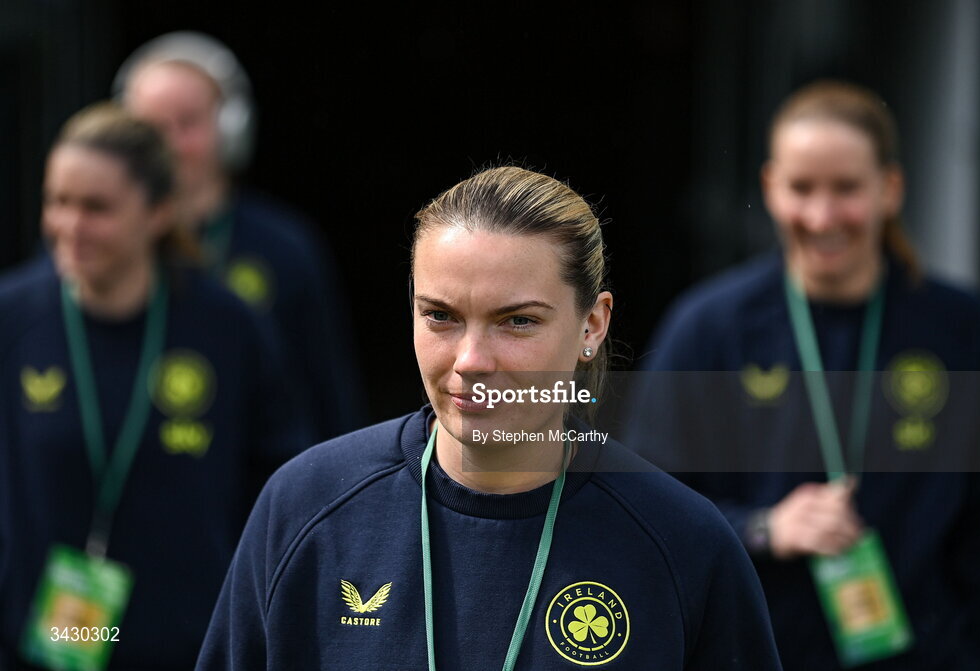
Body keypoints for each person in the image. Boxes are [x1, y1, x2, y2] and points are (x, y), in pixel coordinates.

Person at [196, 166, 782, 669]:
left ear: (592, 325)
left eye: (518, 321)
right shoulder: (306, 509)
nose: (472, 361)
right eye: (441, 316)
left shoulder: (684, 544)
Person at [633, 80, 980, 670]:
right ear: (769, 187)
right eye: (801, 188)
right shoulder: (709, 327)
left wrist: (972, 641)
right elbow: (647, 504)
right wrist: (763, 527)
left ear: (890, 189)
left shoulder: (960, 328)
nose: (821, 215)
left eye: (846, 189)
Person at [0, 103, 311, 669]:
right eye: (57, 202)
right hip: (38, 648)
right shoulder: (12, 318)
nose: (68, 226)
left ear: (160, 212)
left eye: (95, 207)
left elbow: (281, 481)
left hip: (193, 645)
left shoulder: (228, 325)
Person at [115, 31, 364, 442]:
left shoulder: (288, 248)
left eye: (187, 123)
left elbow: (328, 394)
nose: (170, 145)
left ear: (231, 127)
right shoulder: (100, 243)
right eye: (153, 127)